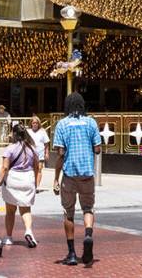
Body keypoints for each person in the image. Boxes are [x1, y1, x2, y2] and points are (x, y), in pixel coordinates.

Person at [52, 92, 101, 267]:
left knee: (68, 212)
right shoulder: (91, 122)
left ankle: (72, 253)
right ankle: (88, 234)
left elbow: (60, 154)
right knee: (88, 208)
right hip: (87, 173)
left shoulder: (62, 124)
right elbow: (97, 149)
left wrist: (56, 179)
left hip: (69, 174)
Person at [0, 123, 40, 247]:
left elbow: (5, 167)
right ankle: (28, 231)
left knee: (10, 211)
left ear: (15, 134)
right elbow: (37, 167)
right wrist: (35, 183)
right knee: (26, 209)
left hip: (13, 179)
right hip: (28, 179)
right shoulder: (32, 148)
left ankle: (9, 237)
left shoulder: (10, 148)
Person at [27, 115, 51, 192]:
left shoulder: (42, 132)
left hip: (40, 153)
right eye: (33, 123)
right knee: (31, 170)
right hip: (30, 154)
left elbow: (46, 144)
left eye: (36, 123)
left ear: (39, 123)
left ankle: (37, 186)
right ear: (31, 123)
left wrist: (46, 153)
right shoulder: (28, 131)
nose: (35, 124)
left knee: (39, 169)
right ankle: (31, 185)